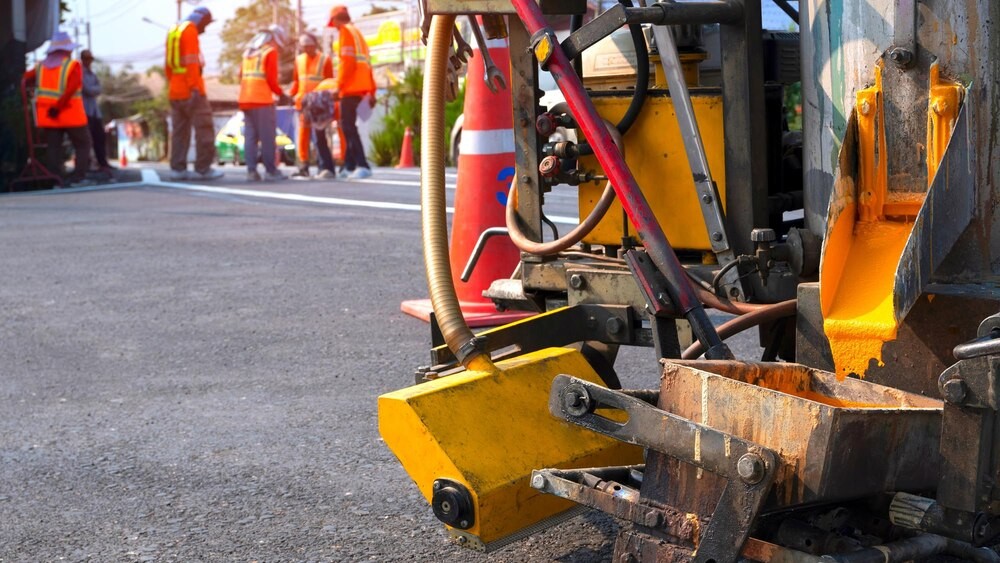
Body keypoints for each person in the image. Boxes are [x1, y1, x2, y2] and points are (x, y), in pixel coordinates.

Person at [22, 31, 92, 187]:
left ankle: (55, 179)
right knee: (83, 144)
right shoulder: (72, 65)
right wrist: (58, 107)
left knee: (53, 148)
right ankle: (78, 177)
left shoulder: (40, 67)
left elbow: (25, 78)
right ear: (67, 49)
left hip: (49, 116)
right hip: (71, 115)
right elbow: (72, 88)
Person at [165, 7, 223, 181]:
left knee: (179, 132)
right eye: (206, 24)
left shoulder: (174, 30)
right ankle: (203, 168)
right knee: (204, 129)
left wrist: (175, 85)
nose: (205, 28)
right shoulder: (190, 31)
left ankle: (178, 169)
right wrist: (194, 88)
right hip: (192, 90)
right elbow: (191, 62)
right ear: (201, 19)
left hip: (175, 90)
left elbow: (168, 65)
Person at [327, 5, 376, 179]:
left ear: (335, 20)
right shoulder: (358, 34)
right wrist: (372, 91)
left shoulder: (345, 33)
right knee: (349, 127)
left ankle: (362, 164)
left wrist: (338, 86)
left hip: (350, 88)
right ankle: (348, 166)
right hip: (362, 88)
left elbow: (347, 63)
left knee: (348, 127)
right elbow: (368, 65)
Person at [239, 24, 291, 182]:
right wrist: (282, 94)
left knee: (250, 137)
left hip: (245, 99)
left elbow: (239, 74)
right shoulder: (270, 52)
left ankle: (251, 172)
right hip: (261, 100)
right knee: (268, 137)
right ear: (275, 39)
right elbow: (271, 79)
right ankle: (271, 171)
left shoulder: (248, 52)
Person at [288, 33, 335, 179]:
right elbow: (296, 81)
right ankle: (303, 166)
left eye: (309, 46)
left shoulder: (324, 60)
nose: (307, 49)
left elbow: (330, 82)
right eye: (304, 46)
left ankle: (325, 166)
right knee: (302, 136)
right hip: (303, 103)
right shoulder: (299, 60)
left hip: (319, 105)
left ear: (315, 45)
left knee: (319, 136)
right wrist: (290, 95)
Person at [80, 50, 112, 175]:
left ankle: (102, 163)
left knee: (100, 137)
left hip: (94, 111)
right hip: (85, 110)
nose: (89, 61)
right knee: (86, 140)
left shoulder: (92, 74)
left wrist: (94, 89)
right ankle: (86, 165)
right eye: (87, 59)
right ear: (83, 59)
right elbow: (87, 89)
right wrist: (94, 89)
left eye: (90, 59)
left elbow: (99, 88)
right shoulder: (81, 73)